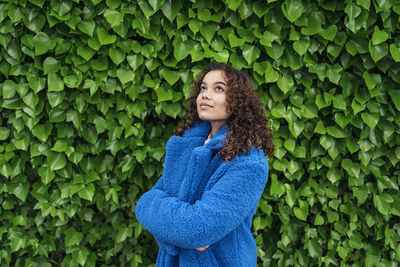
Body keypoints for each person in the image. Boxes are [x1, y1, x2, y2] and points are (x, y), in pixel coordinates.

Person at [135, 62, 275, 266]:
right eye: (203, 88)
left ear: (239, 100)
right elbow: (143, 204)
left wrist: (178, 229)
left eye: (218, 88)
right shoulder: (188, 147)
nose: (205, 95)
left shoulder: (248, 163)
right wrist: (181, 233)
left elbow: (195, 229)